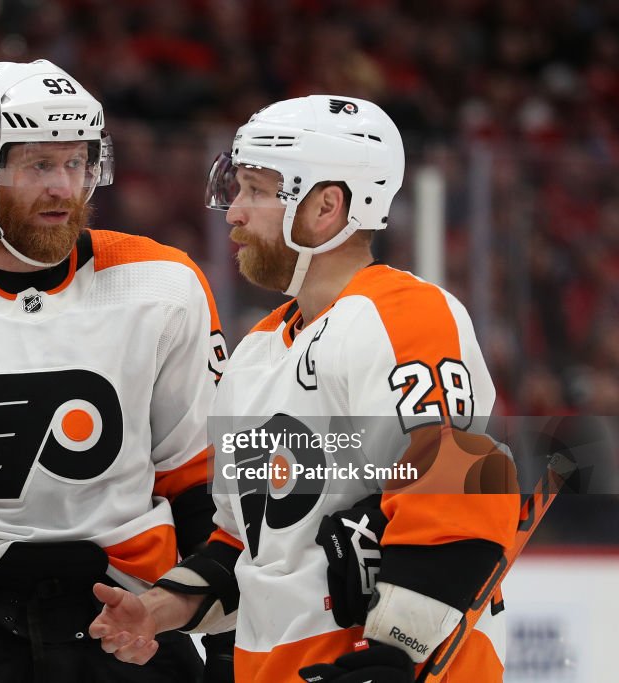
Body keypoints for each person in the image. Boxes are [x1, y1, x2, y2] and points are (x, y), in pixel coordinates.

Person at [89, 95, 520, 682]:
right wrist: (160, 609)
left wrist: (392, 659)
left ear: (326, 205)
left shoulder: (405, 315)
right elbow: (250, 541)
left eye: (257, 191)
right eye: (236, 188)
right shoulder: (258, 350)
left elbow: (458, 490)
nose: (234, 213)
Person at [0, 60, 232, 682]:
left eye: (76, 163)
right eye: (38, 165)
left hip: (128, 613)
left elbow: (200, 480)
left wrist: (220, 626)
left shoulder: (161, 282)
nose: (62, 188)